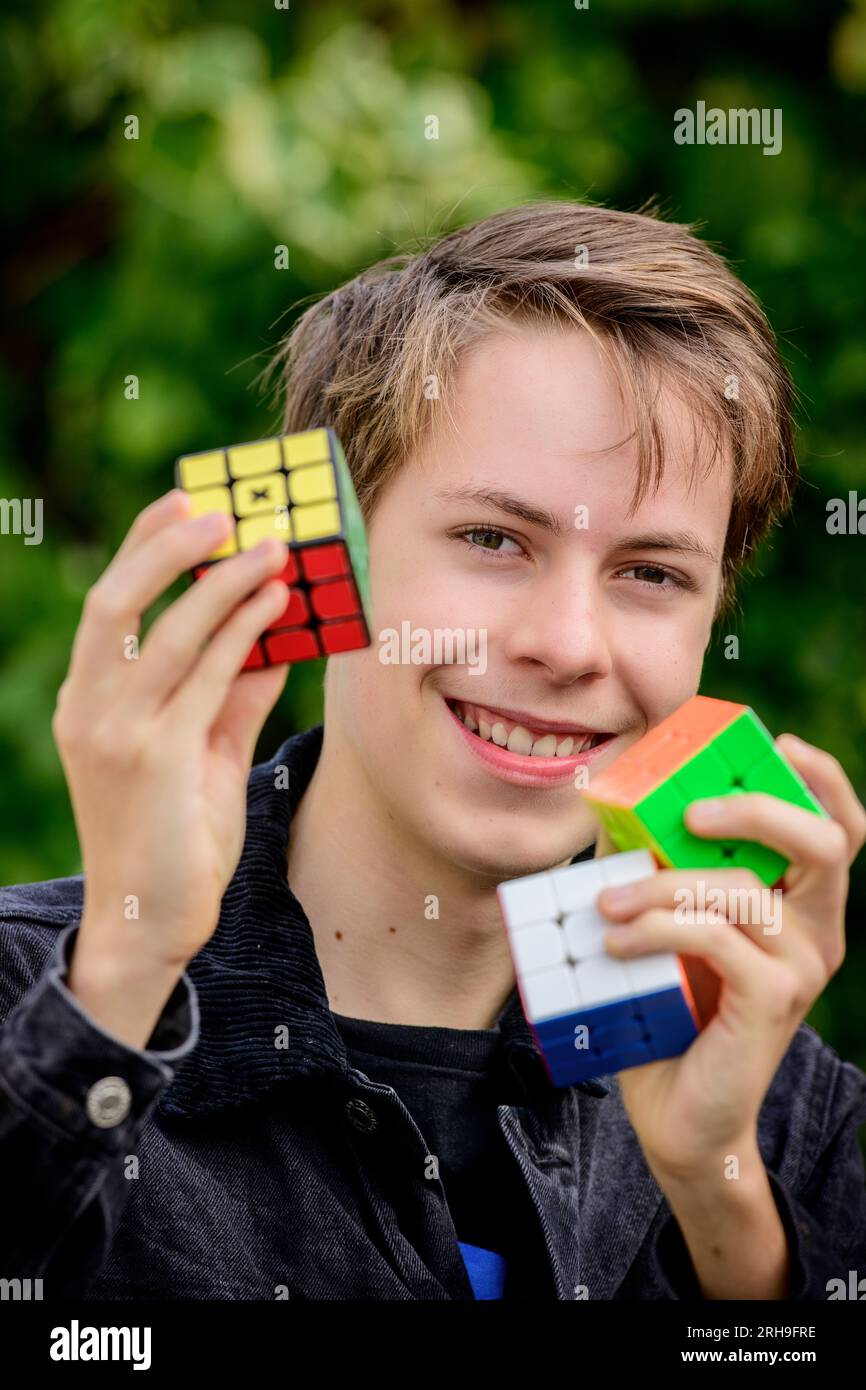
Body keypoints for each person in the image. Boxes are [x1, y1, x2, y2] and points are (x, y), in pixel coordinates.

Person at [2, 201, 865, 1301]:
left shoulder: (775, 1104)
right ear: (319, 557)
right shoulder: (39, 996)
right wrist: (124, 975)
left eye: (650, 571)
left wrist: (716, 1195)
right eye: (492, 539)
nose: (564, 644)